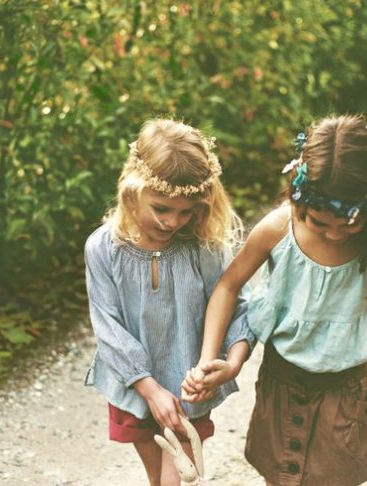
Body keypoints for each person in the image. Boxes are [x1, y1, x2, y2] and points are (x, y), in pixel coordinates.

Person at [182, 115, 367, 485]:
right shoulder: (276, 229)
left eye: (350, 223)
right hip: (281, 382)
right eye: (320, 222)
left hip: (345, 393)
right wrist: (210, 358)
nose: (335, 234)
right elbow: (228, 286)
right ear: (298, 196)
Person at [84, 119, 254, 486]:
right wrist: (149, 389)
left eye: (186, 211)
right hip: (136, 387)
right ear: (133, 191)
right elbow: (107, 327)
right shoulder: (103, 249)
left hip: (189, 388)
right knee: (160, 480)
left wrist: (230, 362)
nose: (173, 221)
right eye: (161, 208)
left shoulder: (204, 248)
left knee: (180, 480)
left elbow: (236, 307)